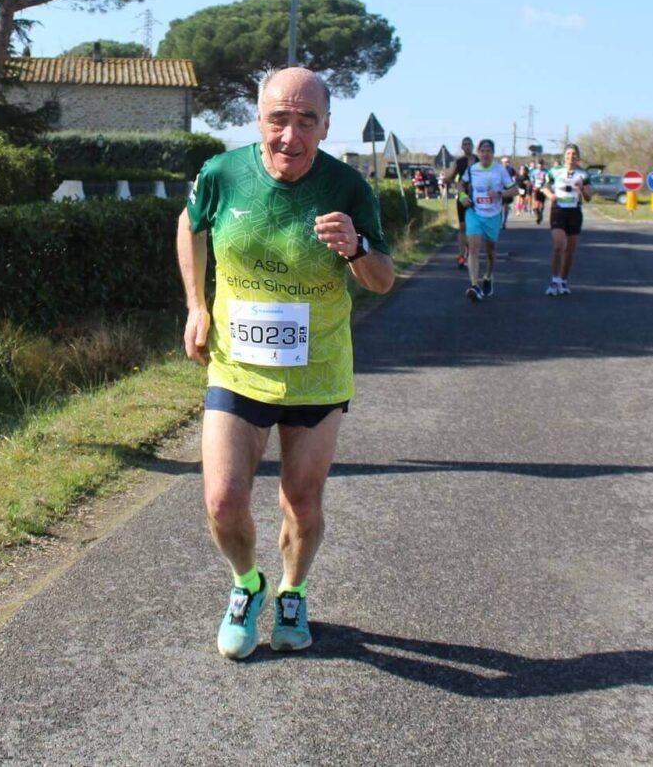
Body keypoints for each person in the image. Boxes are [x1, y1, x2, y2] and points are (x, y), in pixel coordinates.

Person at [176, 67, 395, 660]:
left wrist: (358, 247)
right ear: (258, 118)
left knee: (302, 500)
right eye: (279, 118)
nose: (290, 135)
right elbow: (188, 225)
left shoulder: (348, 188)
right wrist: (197, 305)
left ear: (326, 126)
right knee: (222, 501)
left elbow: (381, 282)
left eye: (306, 121)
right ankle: (248, 584)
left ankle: (293, 590)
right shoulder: (223, 174)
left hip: (317, 371)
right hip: (237, 368)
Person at [458, 138, 516, 301]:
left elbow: (514, 190)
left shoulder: (500, 170)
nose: (485, 154)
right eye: (482, 151)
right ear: (478, 153)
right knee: (474, 249)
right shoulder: (471, 170)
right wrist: (462, 196)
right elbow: (460, 184)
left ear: (493, 153)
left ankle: (488, 276)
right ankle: (474, 285)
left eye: (488, 151)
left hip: (493, 215)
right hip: (474, 212)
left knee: (490, 251)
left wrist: (499, 194)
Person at [541, 143, 592, 296]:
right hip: (558, 210)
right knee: (558, 245)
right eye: (568, 154)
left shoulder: (583, 174)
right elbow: (544, 186)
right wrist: (551, 196)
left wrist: (582, 188)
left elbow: (589, 197)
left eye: (574, 154)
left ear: (578, 157)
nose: (571, 157)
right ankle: (554, 280)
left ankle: (563, 280)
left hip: (575, 212)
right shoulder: (555, 171)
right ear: (564, 156)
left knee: (570, 250)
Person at [442, 138, 478, 269]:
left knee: (473, 227)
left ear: (473, 146)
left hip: (476, 197)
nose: (467, 147)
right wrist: (446, 180)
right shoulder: (459, 162)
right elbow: (450, 177)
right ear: (462, 147)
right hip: (463, 196)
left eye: (469, 144)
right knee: (462, 227)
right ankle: (462, 255)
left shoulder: (478, 161)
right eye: (465, 144)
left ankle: (471, 252)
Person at [530, 159, 549, 224]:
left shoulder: (546, 171)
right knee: (536, 203)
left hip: (543, 189)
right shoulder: (534, 171)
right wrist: (533, 186)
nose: (540, 166)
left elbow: (548, 181)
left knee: (542, 203)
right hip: (536, 189)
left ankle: (541, 213)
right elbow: (532, 180)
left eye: (541, 164)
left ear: (543, 165)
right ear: (537, 165)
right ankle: (538, 216)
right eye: (539, 164)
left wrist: (545, 186)